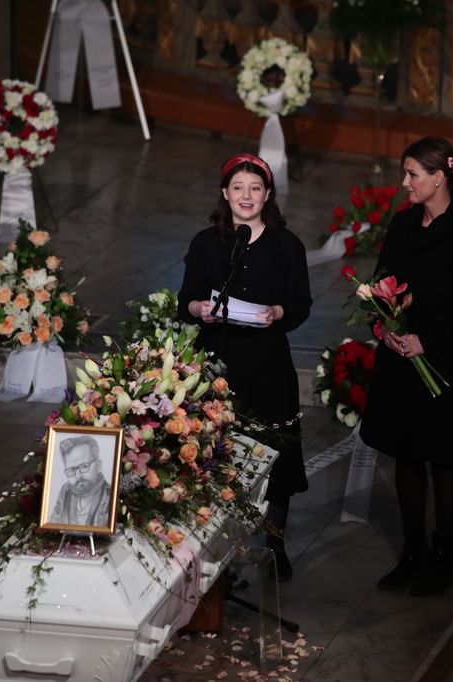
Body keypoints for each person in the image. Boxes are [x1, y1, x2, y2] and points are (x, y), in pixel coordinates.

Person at [359, 137, 453, 595]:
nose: (405, 183)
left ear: (439, 177)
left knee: (441, 456)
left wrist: (428, 340)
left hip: (441, 362)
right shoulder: (401, 226)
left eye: (412, 174)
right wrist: (386, 325)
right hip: (399, 356)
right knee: (407, 452)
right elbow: (382, 282)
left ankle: (442, 550)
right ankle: (412, 550)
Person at [178, 153, 312, 581]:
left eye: (255, 188)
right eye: (238, 188)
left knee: (275, 451)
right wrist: (200, 308)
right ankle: (214, 542)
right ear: (225, 193)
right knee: (217, 451)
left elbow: (301, 303)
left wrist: (277, 311)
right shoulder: (206, 242)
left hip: (268, 361)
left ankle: (275, 543)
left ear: (268, 194)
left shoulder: (287, 245)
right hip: (218, 358)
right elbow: (187, 300)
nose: (246, 195)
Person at [51, 435, 112, 527]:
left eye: (84, 466)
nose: (78, 476)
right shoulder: (66, 491)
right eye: (71, 470)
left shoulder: (111, 496)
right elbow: (53, 526)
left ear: (99, 466)